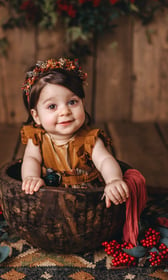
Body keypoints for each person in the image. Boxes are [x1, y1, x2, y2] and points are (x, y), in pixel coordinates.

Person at [20, 58, 147, 245]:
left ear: (83, 102)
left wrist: (113, 180)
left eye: (72, 102)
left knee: (87, 221)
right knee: (47, 219)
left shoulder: (90, 139)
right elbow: (31, 159)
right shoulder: (37, 137)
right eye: (52, 106)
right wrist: (31, 177)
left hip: (86, 196)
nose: (64, 112)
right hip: (52, 193)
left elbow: (105, 161)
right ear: (36, 116)